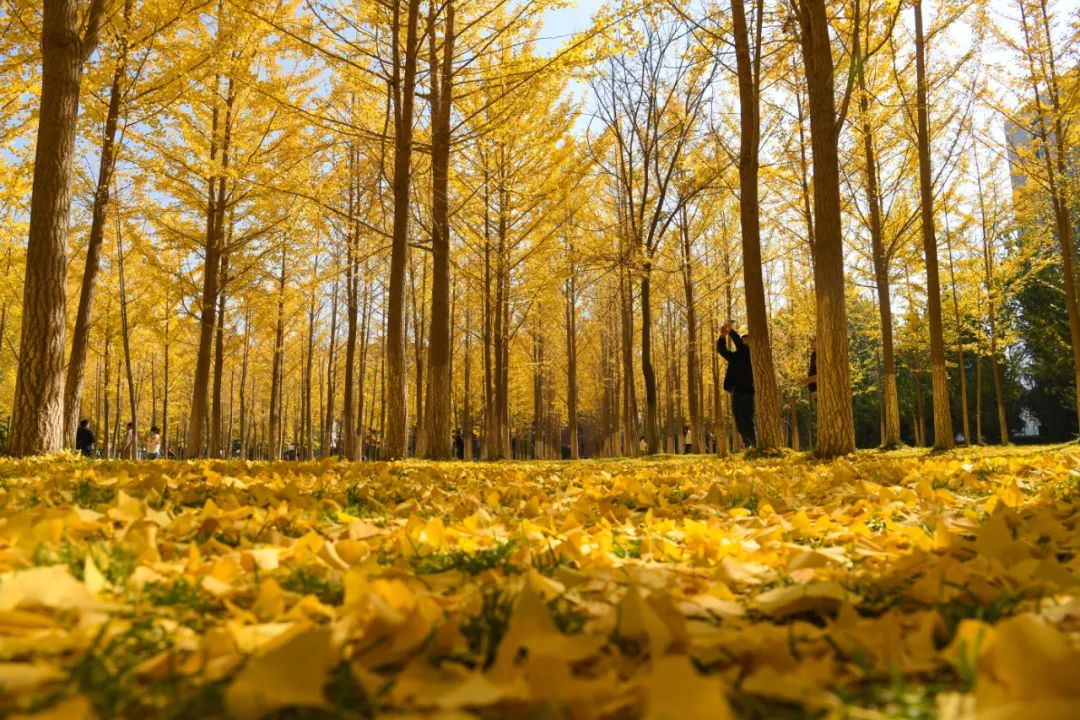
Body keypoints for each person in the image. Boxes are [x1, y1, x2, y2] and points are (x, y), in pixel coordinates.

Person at [717, 321, 755, 449]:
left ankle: (754, 444)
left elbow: (740, 344)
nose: (744, 341)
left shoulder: (751, 354)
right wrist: (722, 336)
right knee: (738, 419)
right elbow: (722, 350)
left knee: (747, 419)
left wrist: (730, 331)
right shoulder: (736, 356)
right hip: (735, 391)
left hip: (747, 391)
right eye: (743, 339)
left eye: (747, 339)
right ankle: (747, 442)